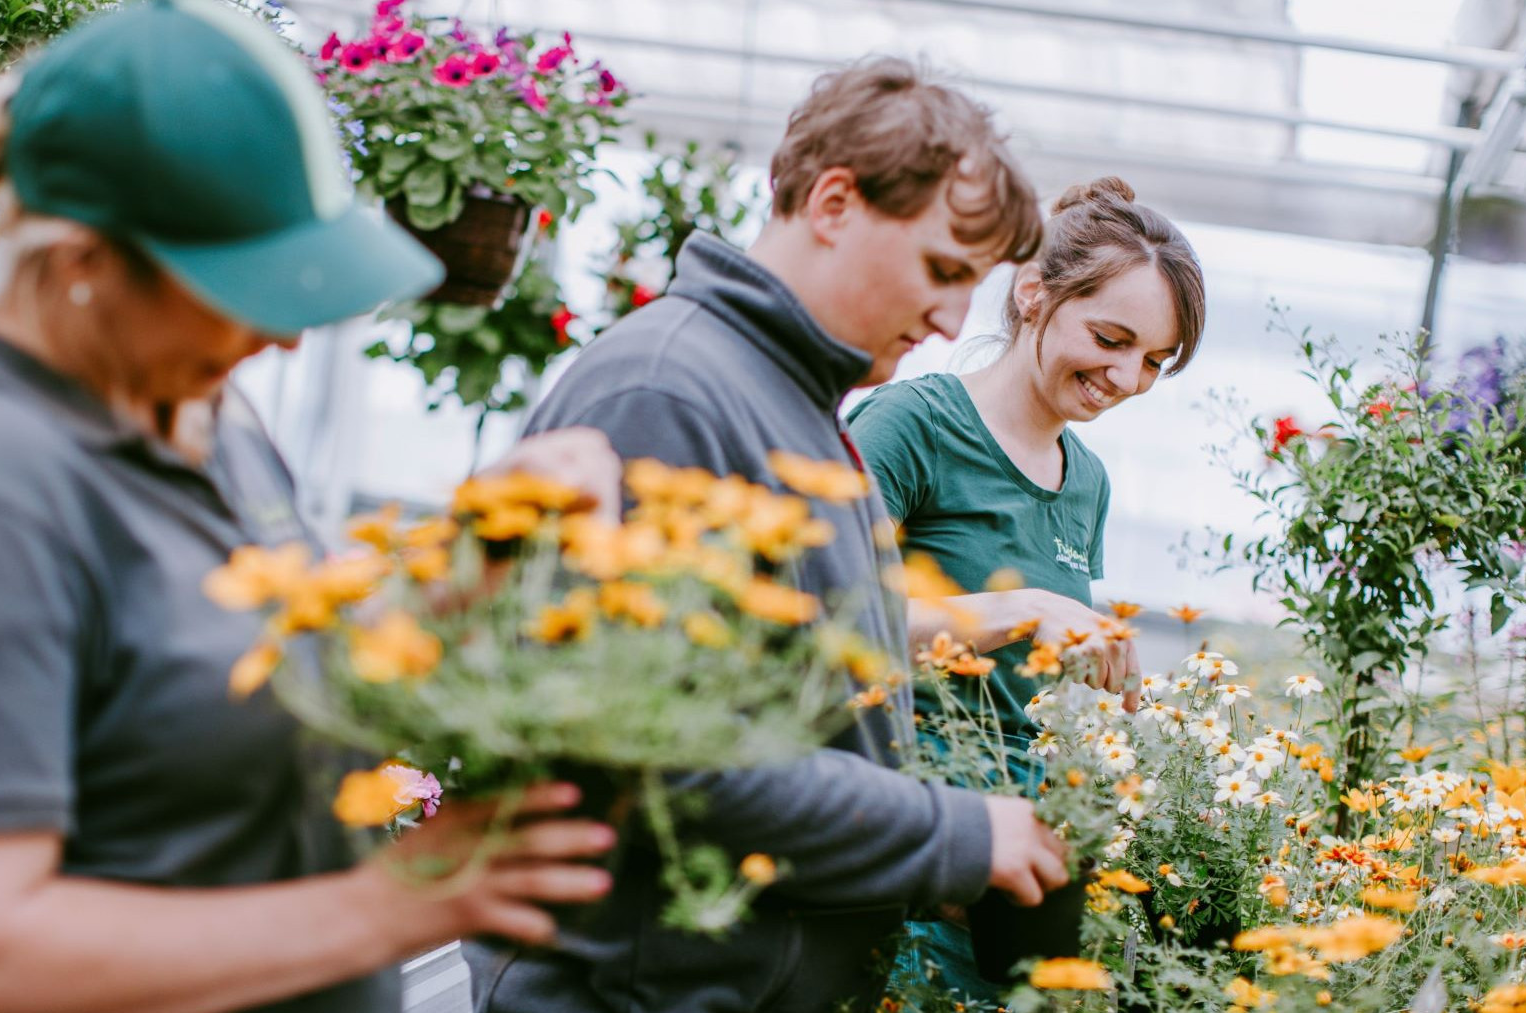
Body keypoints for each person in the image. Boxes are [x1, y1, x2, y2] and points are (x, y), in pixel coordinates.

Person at [0, 0, 623, 1013]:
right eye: (244, 286)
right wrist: (391, 906)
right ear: (84, 265)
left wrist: (477, 555)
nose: (284, 337)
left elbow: (281, 646)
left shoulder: (199, 410)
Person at [463, 58, 1075, 1013]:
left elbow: (799, 703)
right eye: (944, 270)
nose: (955, 319)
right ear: (834, 203)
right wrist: (952, 835)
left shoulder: (795, 403)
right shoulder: (667, 392)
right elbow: (658, 754)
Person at [848, 175, 1207, 1004]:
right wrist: (1015, 610)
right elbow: (828, 622)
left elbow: (1029, 693)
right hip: (903, 855)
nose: (1127, 377)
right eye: (1112, 338)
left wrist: (1114, 703)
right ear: (1034, 293)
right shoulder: (910, 427)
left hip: (1018, 870)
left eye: (1155, 361)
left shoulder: (1087, 481)